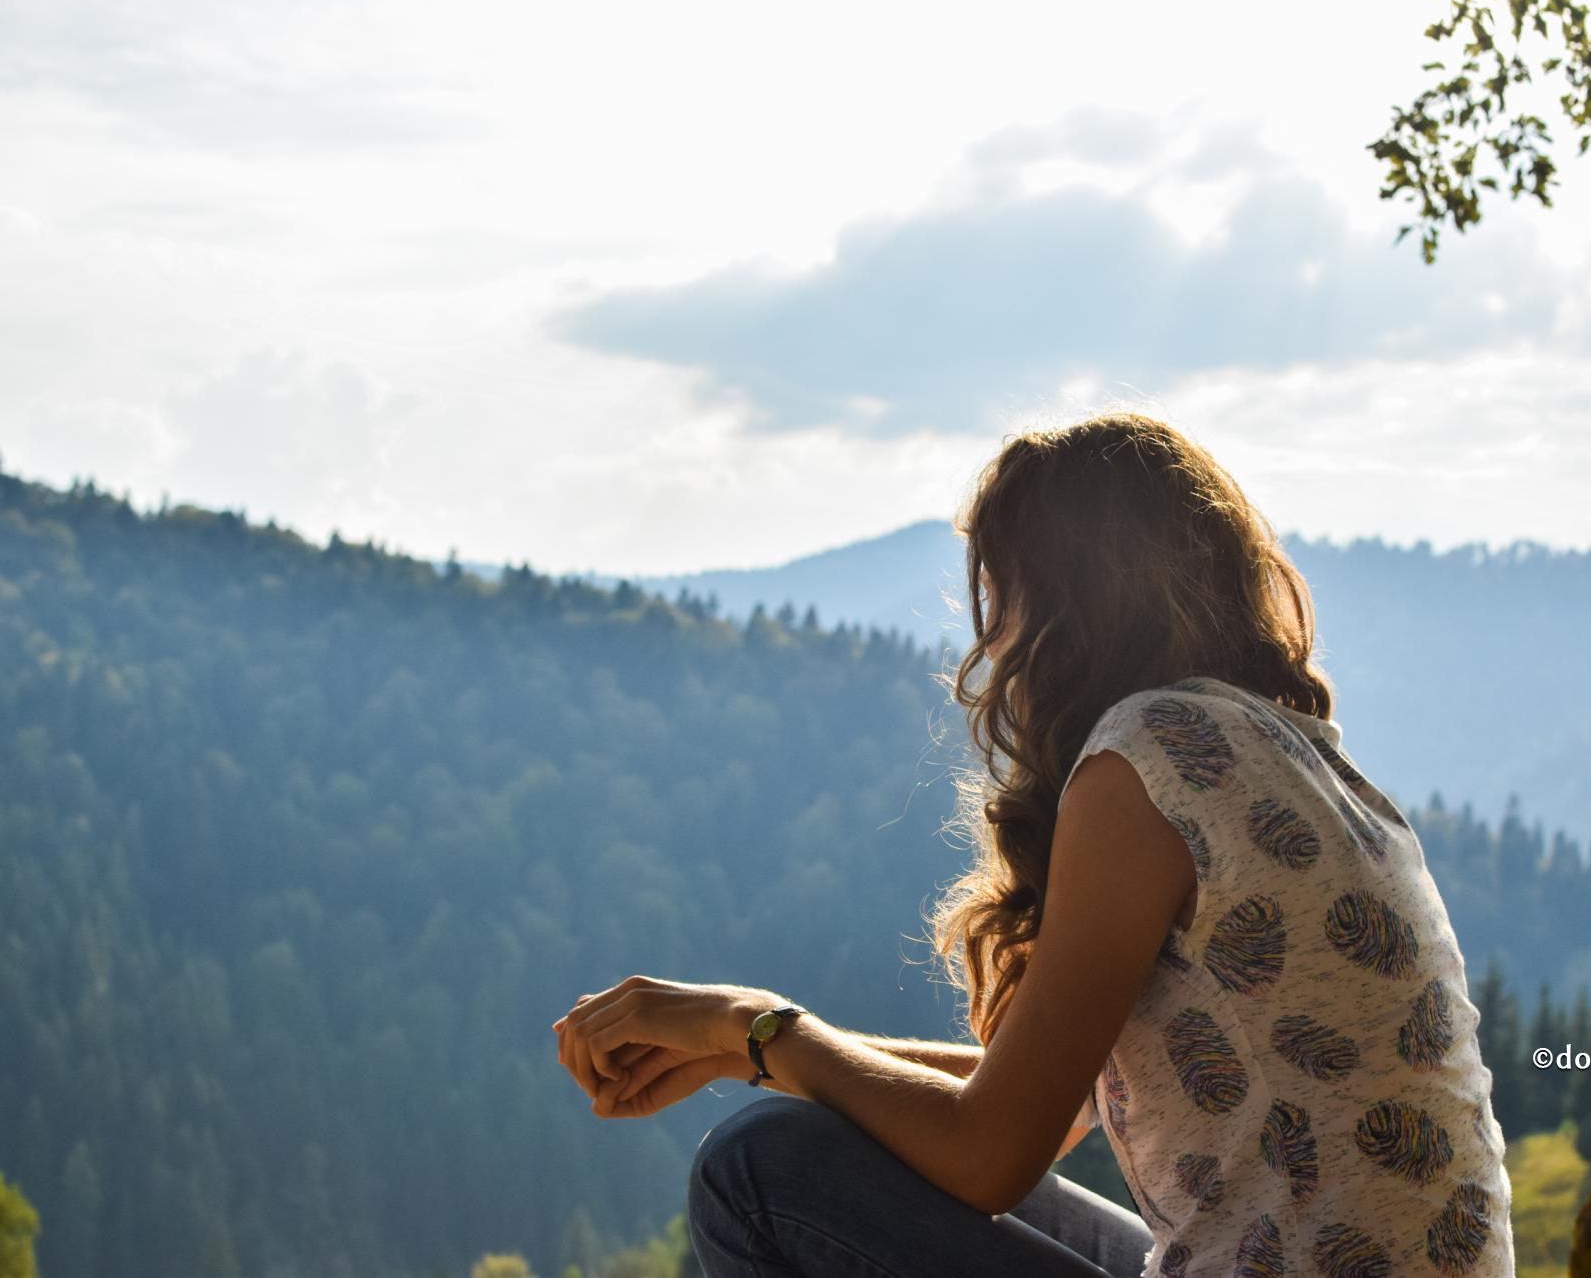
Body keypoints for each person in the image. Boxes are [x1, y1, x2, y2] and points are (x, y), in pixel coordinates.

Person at [552, 412, 1517, 1277]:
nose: (991, 640)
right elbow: (1042, 1105)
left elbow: (991, 1155)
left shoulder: (1147, 759)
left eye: (1000, 597)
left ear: (1057, 607)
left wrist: (752, 1022)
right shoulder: (1293, 759)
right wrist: (746, 1050)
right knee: (828, 1131)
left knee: (757, 1172)